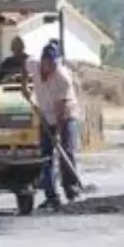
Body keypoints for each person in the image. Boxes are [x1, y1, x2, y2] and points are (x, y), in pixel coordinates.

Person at [22, 40, 82, 210]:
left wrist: (57, 133)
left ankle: (71, 190)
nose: (50, 67)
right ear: (43, 61)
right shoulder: (34, 65)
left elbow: (60, 109)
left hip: (66, 114)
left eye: (53, 63)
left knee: (66, 151)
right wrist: (24, 86)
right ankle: (51, 195)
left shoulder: (62, 78)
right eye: (48, 62)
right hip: (45, 114)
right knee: (45, 155)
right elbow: (23, 65)